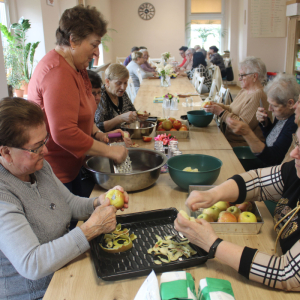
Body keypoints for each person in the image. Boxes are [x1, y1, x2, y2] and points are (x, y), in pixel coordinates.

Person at [0, 97, 129, 299]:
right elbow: (32, 264)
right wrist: (91, 229)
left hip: (65, 271)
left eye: (45, 140)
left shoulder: (38, 167)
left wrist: (99, 201)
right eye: (36, 147)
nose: (46, 150)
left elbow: (68, 203)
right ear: (6, 152)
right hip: (39, 293)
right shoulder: (3, 195)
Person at [175, 121, 300, 291]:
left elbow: (286, 273)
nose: (293, 153)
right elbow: (258, 182)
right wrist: (213, 194)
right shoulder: (295, 170)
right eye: (297, 142)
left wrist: (212, 244)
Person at [28, 5, 127, 198]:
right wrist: (109, 152)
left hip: (72, 166)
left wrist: (97, 133)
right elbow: (64, 133)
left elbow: (82, 111)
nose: (96, 52)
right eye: (93, 44)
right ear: (73, 40)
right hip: (55, 173)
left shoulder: (76, 67)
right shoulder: (58, 72)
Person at [227, 73, 299, 167]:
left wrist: (247, 133)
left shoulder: (294, 124)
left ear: (290, 103)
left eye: (274, 105)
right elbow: (272, 140)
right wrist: (266, 124)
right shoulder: (284, 115)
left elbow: (273, 158)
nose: (269, 109)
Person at [205, 56, 271, 147]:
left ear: (254, 76)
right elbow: (232, 108)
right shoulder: (245, 90)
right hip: (231, 140)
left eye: (242, 75)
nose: (239, 79)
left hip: (243, 146)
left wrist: (220, 112)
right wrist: (217, 105)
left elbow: (241, 127)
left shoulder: (257, 95)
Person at [93, 63, 149, 132]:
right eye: (118, 83)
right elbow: (98, 127)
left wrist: (139, 117)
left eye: (125, 83)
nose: (123, 87)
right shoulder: (100, 96)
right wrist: (119, 119)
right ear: (107, 82)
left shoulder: (121, 93)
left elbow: (132, 111)